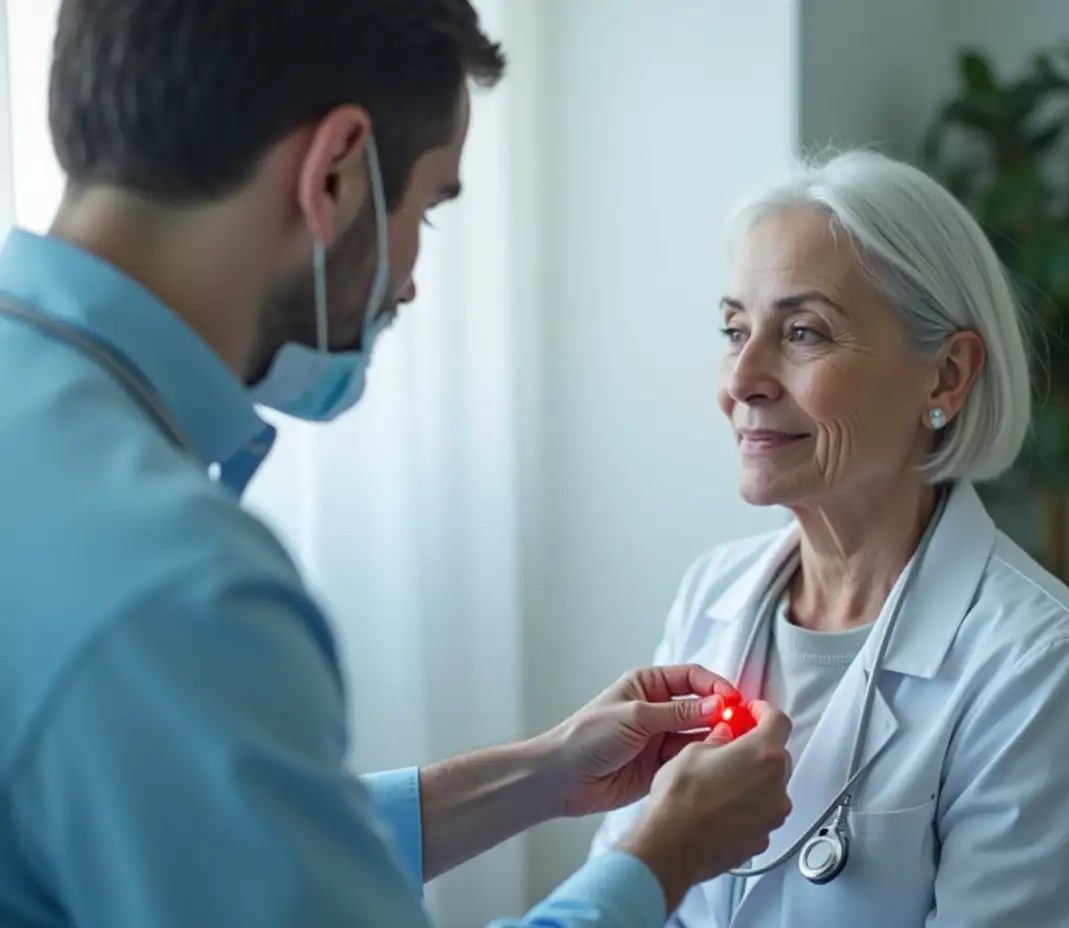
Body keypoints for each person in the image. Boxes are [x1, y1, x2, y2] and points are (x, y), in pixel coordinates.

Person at [0, 2, 795, 927]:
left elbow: (205, 833)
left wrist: (542, 772)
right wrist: (666, 856)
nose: (411, 278)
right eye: (427, 207)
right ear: (335, 171)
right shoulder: (174, 581)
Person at [588, 148, 1069, 926]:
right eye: (734, 328)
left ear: (946, 376)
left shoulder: (1041, 668)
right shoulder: (712, 596)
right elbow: (626, 898)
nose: (741, 378)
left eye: (804, 332)